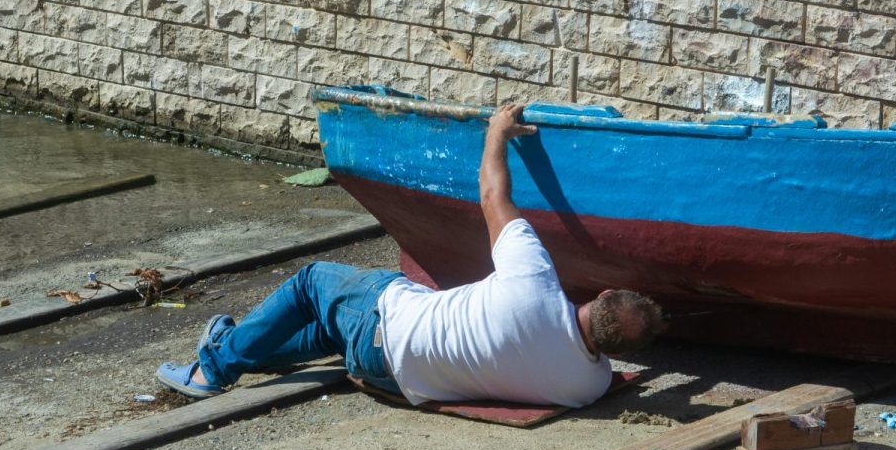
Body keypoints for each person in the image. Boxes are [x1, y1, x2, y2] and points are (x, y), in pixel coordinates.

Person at [155, 104, 666, 408]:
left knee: (314, 282)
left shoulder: (533, 280)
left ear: (600, 295)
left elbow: (493, 198)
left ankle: (213, 369)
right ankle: (236, 342)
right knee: (334, 326)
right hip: (392, 376)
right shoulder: (589, 386)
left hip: (386, 329)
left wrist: (496, 133)